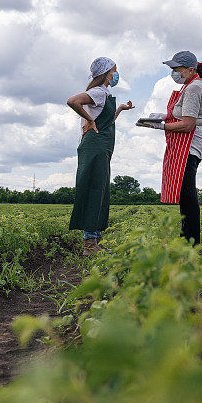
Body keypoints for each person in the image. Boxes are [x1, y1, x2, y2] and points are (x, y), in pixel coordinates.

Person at [66, 57, 134, 255]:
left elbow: (105, 121)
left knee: (100, 190)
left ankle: (94, 239)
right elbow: (72, 101)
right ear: (106, 74)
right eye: (114, 71)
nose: (116, 74)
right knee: (92, 189)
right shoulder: (97, 92)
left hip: (101, 147)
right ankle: (89, 243)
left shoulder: (104, 94)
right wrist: (88, 119)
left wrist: (120, 109)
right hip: (94, 146)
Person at [159, 50, 202, 245]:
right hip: (184, 145)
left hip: (189, 144)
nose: (173, 73)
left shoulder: (194, 88)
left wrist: (161, 126)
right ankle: (187, 238)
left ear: (190, 69)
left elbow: (187, 124)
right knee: (184, 193)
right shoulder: (189, 86)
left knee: (187, 193)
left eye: (176, 69)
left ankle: (191, 241)